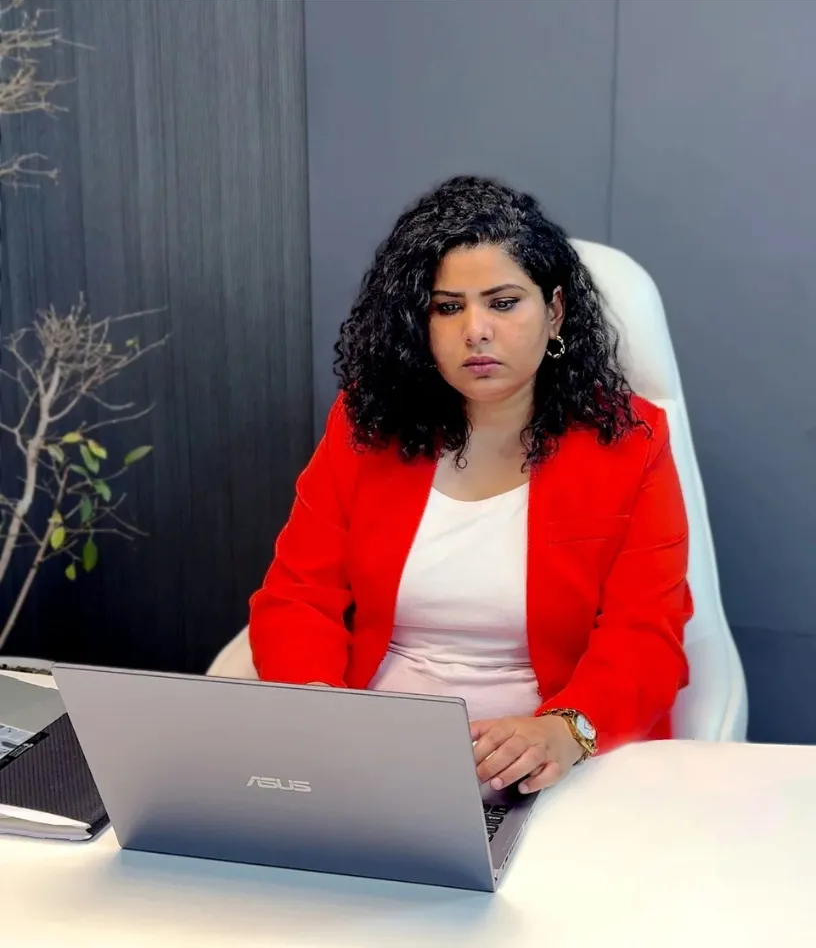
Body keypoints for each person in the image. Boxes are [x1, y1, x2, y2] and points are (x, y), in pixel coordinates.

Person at [249, 176, 692, 795]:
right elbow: (297, 597)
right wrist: (321, 709)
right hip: (371, 752)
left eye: (503, 302)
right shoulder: (364, 423)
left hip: (546, 760)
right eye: (447, 307)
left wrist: (564, 730)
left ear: (555, 310)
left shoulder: (631, 440)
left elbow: (648, 635)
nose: (475, 330)